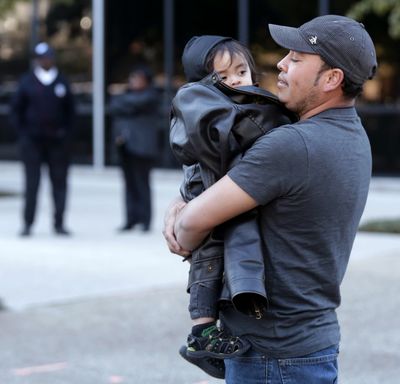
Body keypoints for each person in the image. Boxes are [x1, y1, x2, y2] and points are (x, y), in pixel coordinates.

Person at [164, 14, 377, 383]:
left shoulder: (292, 145)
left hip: (270, 356)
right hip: (308, 345)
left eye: (295, 59)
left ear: (331, 79)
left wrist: (178, 216)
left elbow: (189, 228)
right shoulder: (351, 134)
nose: (279, 64)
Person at [169, 35, 296, 379]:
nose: (238, 80)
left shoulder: (239, 106)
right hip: (212, 196)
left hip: (219, 197)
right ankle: (202, 332)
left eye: (242, 71)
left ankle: (207, 331)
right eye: (225, 76)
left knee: (215, 261)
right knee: (208, 261)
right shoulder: (218, 111)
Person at [10, 42, 75, 237]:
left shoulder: (62, 81)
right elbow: (16, 111)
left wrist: (65, 134)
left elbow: (71, 112)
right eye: (40, 58)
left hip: (57, 143)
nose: (44, 61)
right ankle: (28, 223)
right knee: (32, 184)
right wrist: (24, 134)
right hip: (32, 143)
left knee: (60, 184)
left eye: (47, 57)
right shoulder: (27, 82)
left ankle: (59, 223)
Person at [109, 65, 160, 232]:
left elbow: (129, 103)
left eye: (138, 79)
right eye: (132, 78)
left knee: (142, 183)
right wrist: (125, 104)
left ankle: (145, 220)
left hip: (142, 147)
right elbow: (114, 105)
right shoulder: (127, 96)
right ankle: (131, 218)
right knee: (129, 183)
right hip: (125, 146)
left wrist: (124, 104)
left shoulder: (151, 96)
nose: (133, 82)